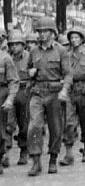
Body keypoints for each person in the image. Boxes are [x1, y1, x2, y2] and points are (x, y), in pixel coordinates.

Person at [27, 16, 72, 176]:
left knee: (56, 128)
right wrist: (30, 73)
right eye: (39, 31)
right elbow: (28, 70)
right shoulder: (33, 51)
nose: (42, 34)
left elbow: (68, 74)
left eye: (46, 31)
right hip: (38, 93)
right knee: (34, 126)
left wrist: (64, 90)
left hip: (55, 93)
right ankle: (36, 160)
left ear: (53, 32)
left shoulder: (61, 50)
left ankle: (53, 158)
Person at [61, 27, 85, 166]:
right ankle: (68, 153)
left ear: (82, 39)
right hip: (71, 91)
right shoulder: (66, 55)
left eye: (77, 37)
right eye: (72, 37)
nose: (74, 40)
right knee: (69, 122)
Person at [5, 31, 29, 166]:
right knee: (8, 124)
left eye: (17, 44)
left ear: (22, 45)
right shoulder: (7, 59)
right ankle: (5, 153)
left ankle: (24, 150)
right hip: (11, 92)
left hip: (25, 92)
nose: (14, 47)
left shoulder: (30, 58)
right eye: (12, 45)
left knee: (25, 124)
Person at [0, 32, 19, 175]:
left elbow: (13, 80)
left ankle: (1, 155)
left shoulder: (5, 58)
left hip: (1, 94)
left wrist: (10, 99)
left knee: (1, 130)